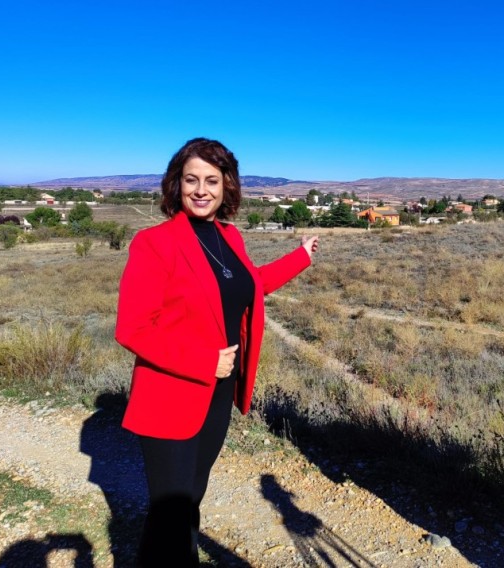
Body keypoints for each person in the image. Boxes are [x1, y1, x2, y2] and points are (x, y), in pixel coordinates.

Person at [115, 137, 319, 567]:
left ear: (228, 186)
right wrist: (204, 360)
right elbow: (132, 328)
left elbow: (249, 283)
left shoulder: (229, 236)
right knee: (171, 509)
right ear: (176, 184)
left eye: (212, 180)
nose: (201, 189)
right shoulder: (154, 243)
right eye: (192, 180)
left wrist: (300, 257)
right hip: (171, 393)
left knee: (190, 499)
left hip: (217, 393)